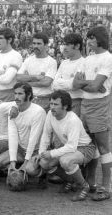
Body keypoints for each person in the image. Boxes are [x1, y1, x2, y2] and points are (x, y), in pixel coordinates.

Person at [26, 90, 95, 201]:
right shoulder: (50, 114)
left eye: (56, 104)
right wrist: (41, 153)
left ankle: (83, 186)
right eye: (51, 103)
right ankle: (70, 180)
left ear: (65, 106)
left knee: (65, 160)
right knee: (43, 163)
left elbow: (72, 146)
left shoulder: (72, 119)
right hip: (68, 147)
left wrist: (52, 153)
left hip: (85, 148)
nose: (52, 107)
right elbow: (46, 135)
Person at [73, 26, 112, 201]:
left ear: (101, 40)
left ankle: (107, 186)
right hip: (85, 103)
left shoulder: (108, 58)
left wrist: (88, 84)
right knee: (89, 144)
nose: (88, 41)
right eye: (88, 38)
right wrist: (91, 84)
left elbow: (97, 88)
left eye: (92, 38)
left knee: (103, 147)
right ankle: (91, 182)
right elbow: (75, 83)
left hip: (100, 105)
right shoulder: (87, 58)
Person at [0, 82, 46, 181]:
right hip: (21, 149)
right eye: (15, 93)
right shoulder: (13, 110)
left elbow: (33, 139)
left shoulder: (38, 112)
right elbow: (13, 136)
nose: (16, 97)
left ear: (29, 95)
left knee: (30, 169)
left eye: (20, 94)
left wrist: (26, 162)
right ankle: (17, 168)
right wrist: (12, 161)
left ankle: (43, 175)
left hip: (36, 151)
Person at [17, 32, 57, 112]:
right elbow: (18, 77)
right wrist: (36, 77)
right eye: (34, 43)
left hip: (44, 99)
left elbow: (46, 83)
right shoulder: (28, 60)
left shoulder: (51, 62)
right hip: (28, 99)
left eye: (39, 44)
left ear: (46, 45)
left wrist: (26, 82)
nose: (35, 46)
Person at [52, 33, 84, 117]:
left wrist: (61, 83)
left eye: (68, 44)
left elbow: (76, 85)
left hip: (76, 102)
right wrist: (70, 83)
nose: (64, 47)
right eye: (64, 44)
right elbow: (54, 84)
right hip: (61, 102)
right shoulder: (64, 63)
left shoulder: (84, 63)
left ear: (77, 46)